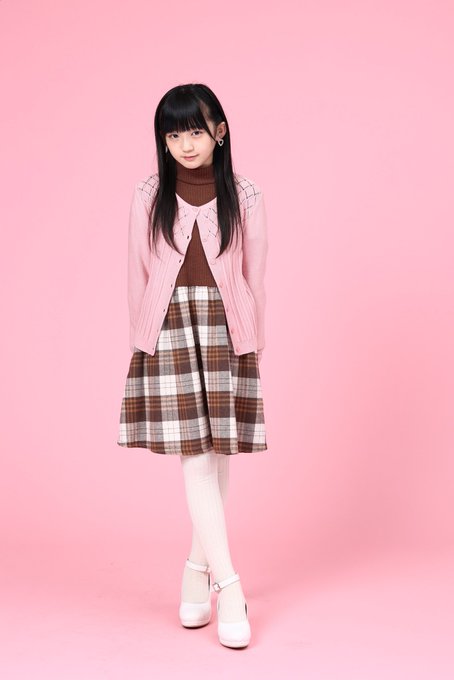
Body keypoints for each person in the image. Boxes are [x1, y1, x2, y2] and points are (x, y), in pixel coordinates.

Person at [117, 83, 269, 648]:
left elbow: (255, 274)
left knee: (218, 451)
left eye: (196, 131)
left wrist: (254, 340)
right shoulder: (148, 193)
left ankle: (194, 570)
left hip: (228, 328)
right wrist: (142, 341)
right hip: (169, 327)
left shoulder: (246, 194)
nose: (185, 144)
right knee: (197, 457)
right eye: (173, 133)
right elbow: (137, 271)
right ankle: (229, 586)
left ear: (219, 133)